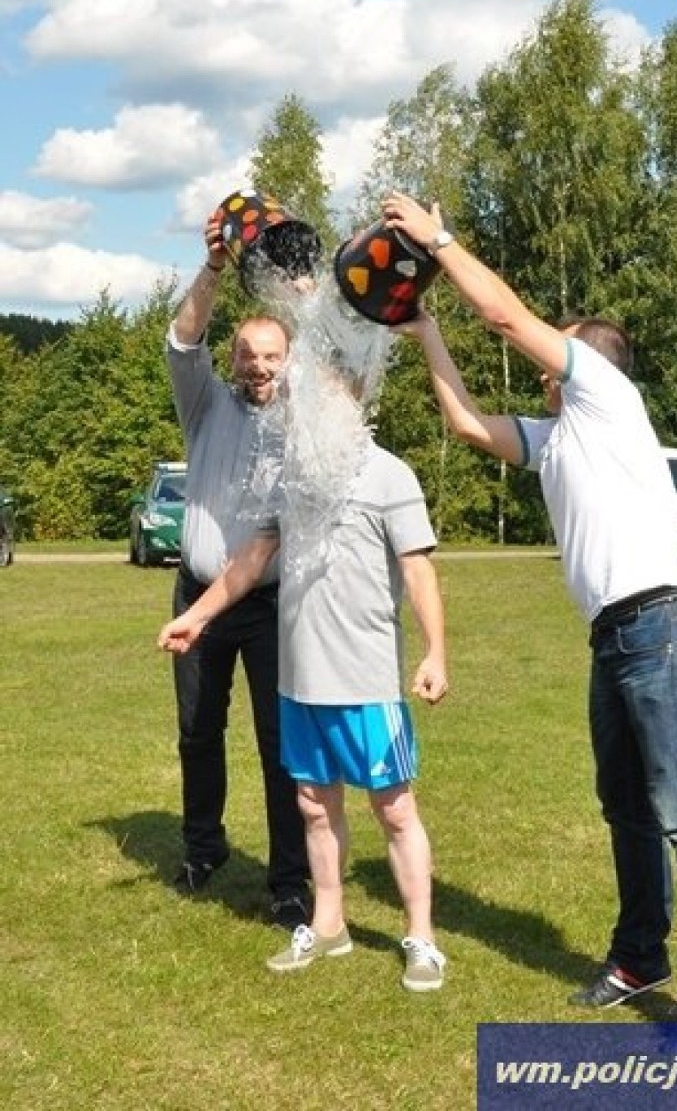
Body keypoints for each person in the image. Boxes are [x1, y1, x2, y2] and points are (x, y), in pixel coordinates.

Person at [383, 191, 677, 1026]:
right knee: (626, 807)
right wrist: (426, 332)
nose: (550, 368)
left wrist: (438, 239)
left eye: (564, 357)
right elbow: (471, 425)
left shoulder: (611, 401)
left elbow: (509, 316)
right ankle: (640, 958)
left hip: (663, 625)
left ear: (595, 366)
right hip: (615, 636)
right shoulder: (560, 437)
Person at [157, 367, 449, 993]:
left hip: (368, 682)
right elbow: (249, 562)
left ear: (357, 404)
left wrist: (435, 653)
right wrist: (196, 616)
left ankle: (421, 938)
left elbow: (419, 572)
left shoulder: (390, 475)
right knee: (314, 807)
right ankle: (329, 924)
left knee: (395, 811)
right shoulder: (292, 483)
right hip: (300, 681)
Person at [165, 210, 310, 928]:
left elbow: (328, 356)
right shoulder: (204, 405)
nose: (258, 366)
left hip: (270, 607)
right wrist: (217, 265)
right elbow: (181, 336)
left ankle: (289, 882)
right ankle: (203, 847)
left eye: (271, 356)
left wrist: (300, 281)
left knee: (280, 745)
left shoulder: (304, 419)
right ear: (233, 359)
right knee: (197, 731)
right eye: (248, 354)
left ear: (287, 362)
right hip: (198, 595)